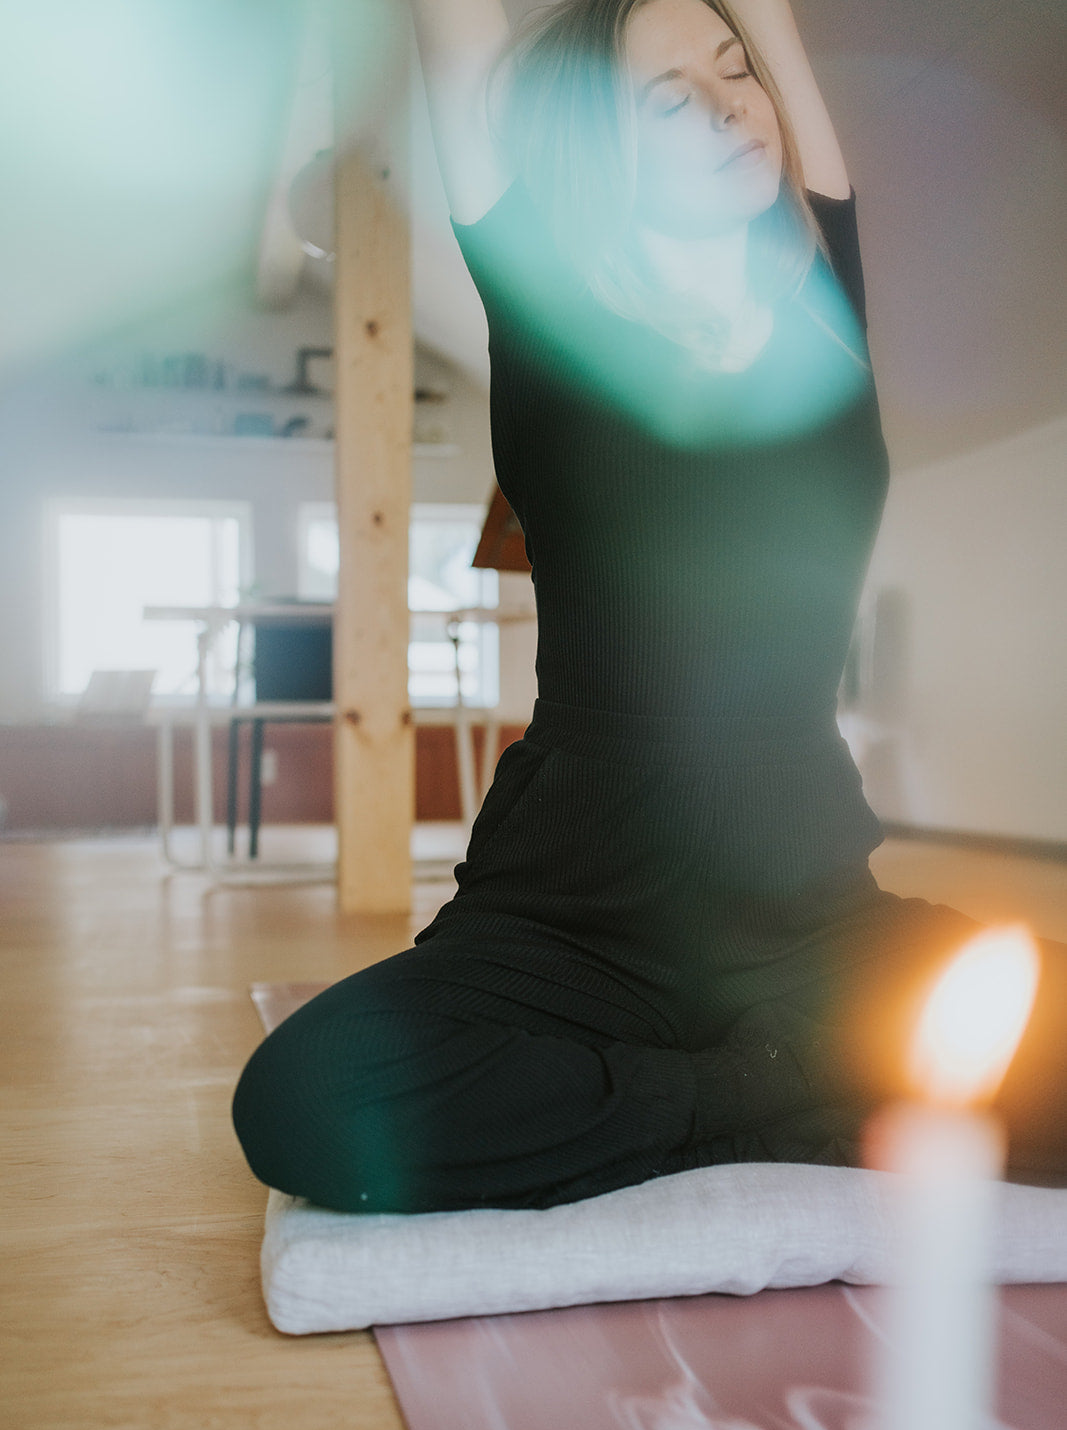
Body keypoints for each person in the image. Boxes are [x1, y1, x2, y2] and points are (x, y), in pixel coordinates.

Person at [233, 0, 1067, 1213]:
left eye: (736, 73)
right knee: (307, 1100)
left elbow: (767, 29)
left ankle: (704, 1093)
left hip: (812, 929)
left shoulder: (823, 312)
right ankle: (782, 1095)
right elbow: (457, 29)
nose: (733, 103)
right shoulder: (552, 321)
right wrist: (759, 1083)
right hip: (571, 929)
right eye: (671, 100)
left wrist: (743, 34)